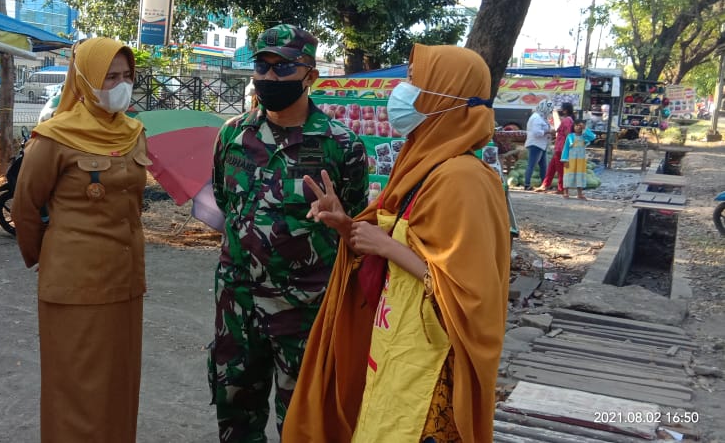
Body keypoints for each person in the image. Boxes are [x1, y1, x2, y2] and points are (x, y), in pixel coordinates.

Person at [283, 44, 511, 443]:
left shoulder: (463, 179)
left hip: (430, 366)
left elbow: (469, 297)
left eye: (413, 80)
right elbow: (396, 242)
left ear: (443, 95)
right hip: (396, 346)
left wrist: (387, 247)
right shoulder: (424, 166)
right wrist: (347, 226)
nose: (401, 90)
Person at [208, 24, 369, 441]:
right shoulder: (232, 135)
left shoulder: (342, 144)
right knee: (235, 416)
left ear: (310, 74)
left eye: (283, 68)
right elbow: (229, 205)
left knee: (303, 421)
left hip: (305, 309)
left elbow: (353, 220)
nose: (269, 78)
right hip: (237, 303)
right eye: (262, 66)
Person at [11, 37, 150, 443]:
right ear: (86, 80)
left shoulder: (133, 132)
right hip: (75, 285)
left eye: (127, 76)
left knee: (119, 385)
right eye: (111, 77)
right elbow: (25, 208)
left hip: (125, 282)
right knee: (76, 388)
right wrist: (53, 260)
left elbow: (133, 204)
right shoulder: (54, 137)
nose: (121, 85)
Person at [540, 101, 576, 194]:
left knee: (560, 169)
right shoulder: (568, 119)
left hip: (561, 148)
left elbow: (567, 133)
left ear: (565, 110)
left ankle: (561, 188)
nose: (560, 110)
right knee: (552, 167)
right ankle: (545, 185)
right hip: (559, 147)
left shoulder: (567, 120)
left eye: (562, 108)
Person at [560, 119, 597, 200]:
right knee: (568, 175)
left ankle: (579, 194)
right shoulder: (570, 136)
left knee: (580, 176)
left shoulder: (585, 137)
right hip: (570, 160)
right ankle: (566, 192)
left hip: (580, 161)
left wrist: (585, 129)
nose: (578, 127)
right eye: (576, 125)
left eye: (580, 126)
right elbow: (565, 148)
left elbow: (593, 137)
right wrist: (564, 159)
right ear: (573, 127)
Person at [523, 100, 554, 190]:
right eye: (550, 110)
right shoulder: (536, 118)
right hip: (535, 144)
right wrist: (548, 131)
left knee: (543, 166)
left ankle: (545, 184)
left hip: (542, 144)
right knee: (531, 165)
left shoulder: (541, 117)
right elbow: (536, 132)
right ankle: (527, 184)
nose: (550, 112)